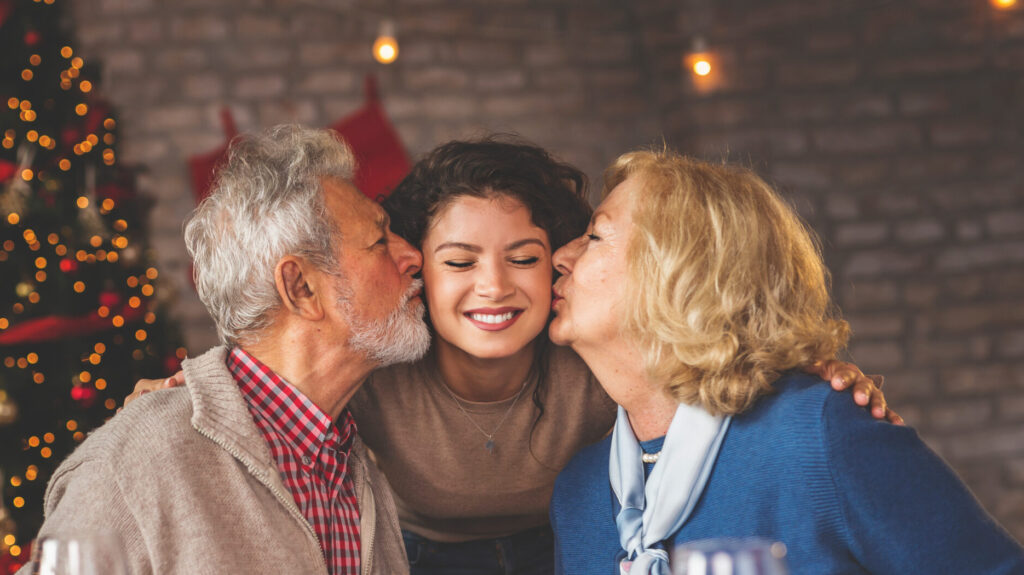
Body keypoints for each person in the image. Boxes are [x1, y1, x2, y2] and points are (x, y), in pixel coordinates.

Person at [127, 137, 895, 575]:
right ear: (414, 268)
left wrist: (814, 376)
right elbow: (273, 373)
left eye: (523, 256)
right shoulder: (378, 361)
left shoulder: (594, 355)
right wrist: (183, 397)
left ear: (559, 262)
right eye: (458, 262)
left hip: (576, 552)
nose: (492, 286)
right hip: (422, 559)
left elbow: (703, 367)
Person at [547, 149, 1024, 574]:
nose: (561, 257)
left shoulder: (816, 433)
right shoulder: (578, 493)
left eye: (594, 236)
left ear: (683, 270)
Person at [22, 126, 428, 575]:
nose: (412, 256)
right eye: (379, 240)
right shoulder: (131, 464)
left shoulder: (353, 458)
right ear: (302, 288)